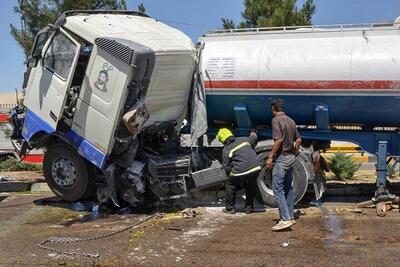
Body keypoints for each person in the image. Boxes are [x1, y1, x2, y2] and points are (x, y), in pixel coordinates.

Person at [267, 99, 302, 231]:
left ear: (273, 108)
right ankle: (291, 216)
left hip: (283, 158)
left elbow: (278, 140)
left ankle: (285, 219)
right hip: (292, 157)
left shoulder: (276, 120)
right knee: (288, 188)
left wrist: (270, 157)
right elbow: (298, 139)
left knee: (278, 188)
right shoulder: (291, 120)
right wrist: (296, 151)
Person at [218, 128, 262, 214]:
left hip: (241, 170)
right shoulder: (243, 139)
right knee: (250, 185)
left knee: (230, 185)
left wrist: (232, 173)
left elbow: (226, 166)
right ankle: (249, 208)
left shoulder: (226, 149)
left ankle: (230, 209)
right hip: (256, 167)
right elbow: (253, 138)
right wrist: (253, 132)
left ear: (222, 140)